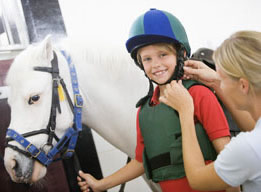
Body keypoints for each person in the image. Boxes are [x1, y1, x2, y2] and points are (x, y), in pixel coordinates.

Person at [77, 8, 234, 192]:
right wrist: (101, 184)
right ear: (140, 64)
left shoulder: (199, 94)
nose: (156, 64)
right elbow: (141, 161)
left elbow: (229, 161)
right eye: (147, 59)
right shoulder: (145, 111)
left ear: (181, 54)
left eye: (163, 55)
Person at [160, 30, 261, 191]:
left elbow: (198, 180)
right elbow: (253, 128)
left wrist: (185, 111)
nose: (220, 82)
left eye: (223, 78)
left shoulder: (247, 148)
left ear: (243, 86)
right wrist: (216, 82)